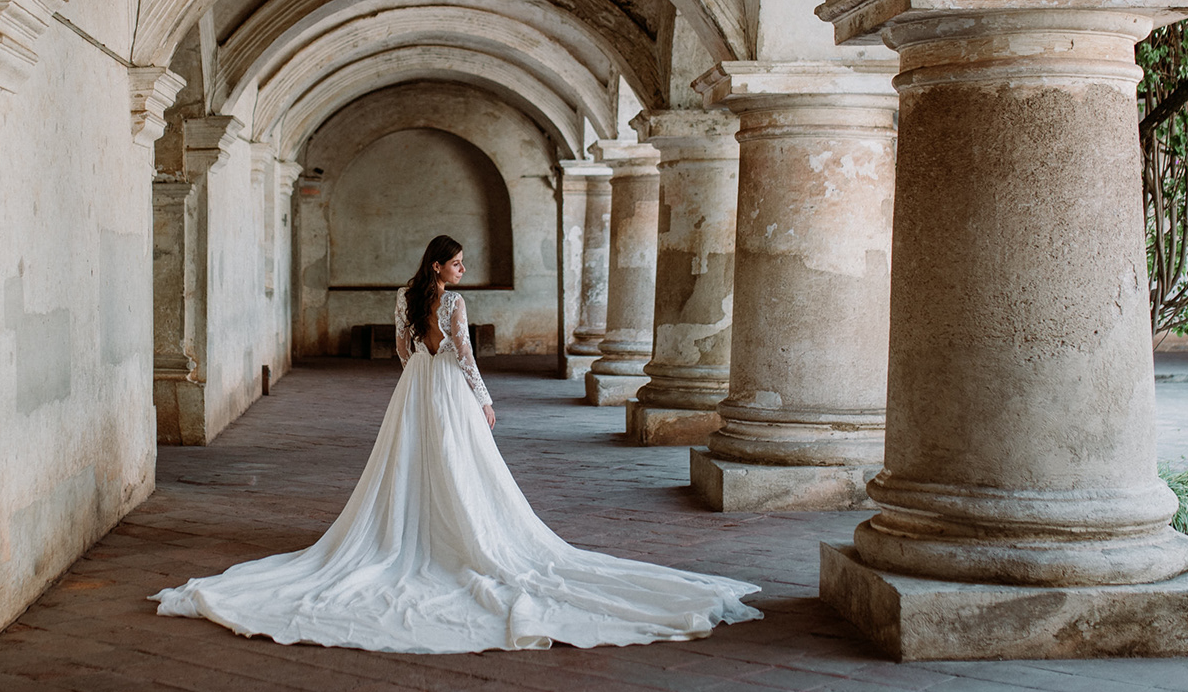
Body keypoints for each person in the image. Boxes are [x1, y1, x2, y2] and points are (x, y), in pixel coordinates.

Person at [151, 235, 763, 652]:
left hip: (416, 386)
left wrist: (418, 374)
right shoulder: (456, 303)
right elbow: (464, 355)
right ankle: (457, 532)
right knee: (460, 463)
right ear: (441, 265)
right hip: (445, 385)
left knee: (412, 461)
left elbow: (401, 351)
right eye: (458, 262)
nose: (463, 269)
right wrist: (483, 398)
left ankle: (407, 531)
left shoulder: (406, 296)